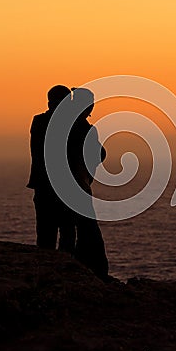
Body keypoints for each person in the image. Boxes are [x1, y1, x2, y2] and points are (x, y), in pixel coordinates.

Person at [27, 85, 76, 253]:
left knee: (46, 233)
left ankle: (47, 270)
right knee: (67, 233)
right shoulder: (69, 124)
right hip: (62, 186)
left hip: (43, 185)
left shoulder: (39, 121)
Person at [68, 87, 109, 280]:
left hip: (71, 184)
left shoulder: (60, 126)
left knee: (68, 231)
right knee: (87, 231)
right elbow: (99, 153)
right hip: (79, 185)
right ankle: (95, 271)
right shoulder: (85, 129)